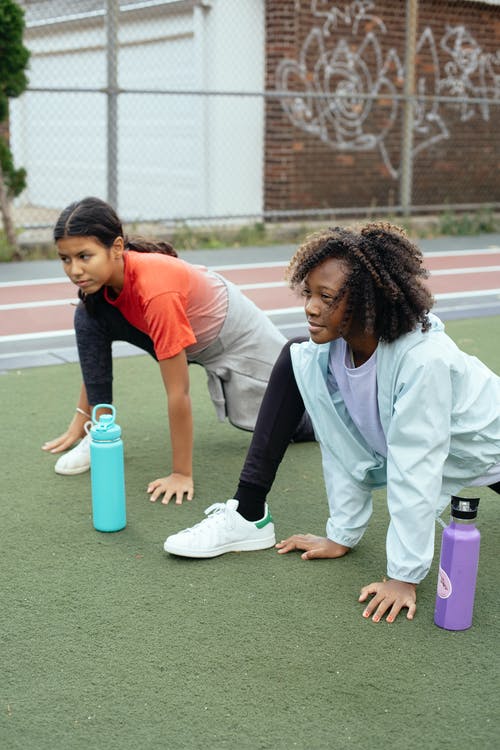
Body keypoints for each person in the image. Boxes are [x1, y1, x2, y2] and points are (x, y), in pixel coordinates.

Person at [164, 222, 500, 623]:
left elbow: (416, 468)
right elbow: (343, 449)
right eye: (308, 293)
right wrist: (341, 534)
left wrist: (403, 577)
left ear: (367, 302)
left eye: (326, 297)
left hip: (487, 444)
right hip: (454, 453)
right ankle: (246, 514)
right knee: (294, 354)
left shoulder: (423, 361)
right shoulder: (327, 356)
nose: (310, 307)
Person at [42, 196, 313, 504]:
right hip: (179, 330)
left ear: (117, 247)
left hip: (231, 333)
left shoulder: (156, 290)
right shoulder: (102, 286)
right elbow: (94, 359)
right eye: (66, 259)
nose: (75, 270)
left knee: (289, 420)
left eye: (84, 256)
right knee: (89, 315)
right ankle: (98, 433)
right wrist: (81, 419)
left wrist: (181, 474)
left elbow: (178, 392)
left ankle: (327, 409)